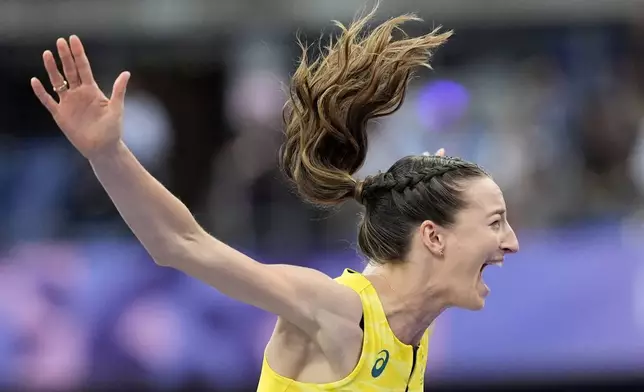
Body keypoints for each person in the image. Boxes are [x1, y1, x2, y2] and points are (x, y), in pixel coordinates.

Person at [30, 6, 519, 391]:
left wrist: (439, 188)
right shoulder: (334, 310)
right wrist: (108, 153)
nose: (511, 242)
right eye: (495, 222)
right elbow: (180, 242)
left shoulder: (414, 324)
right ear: (433, 237)